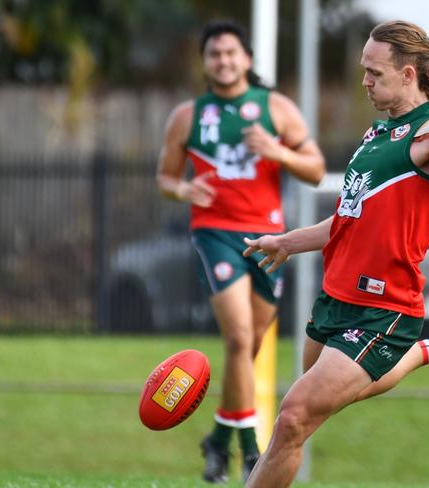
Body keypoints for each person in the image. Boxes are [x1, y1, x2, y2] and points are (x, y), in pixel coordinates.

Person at [241, 20, 429, 487]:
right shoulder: (377, 135)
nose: (365, 81)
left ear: (409, 74)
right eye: (364, 71)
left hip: (382, 309)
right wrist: (288, 242)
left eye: (375, 73)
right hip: (336, 297)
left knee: (291, 419)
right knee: (304, 415)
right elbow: (350, 218)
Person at [156, 20, 326, 484]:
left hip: (268, 238)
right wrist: (184, 189)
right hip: (214, 234)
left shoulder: (275, 108)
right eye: (214, 54)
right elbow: (166, 179)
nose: (223, 61)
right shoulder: (188, 116)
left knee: (248, 346)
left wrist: (278, 152)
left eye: (231, 53)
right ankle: (250, 446)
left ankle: (217, 437)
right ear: (205, 61)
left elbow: (314, 170)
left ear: (247, 59)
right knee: (237, 339)